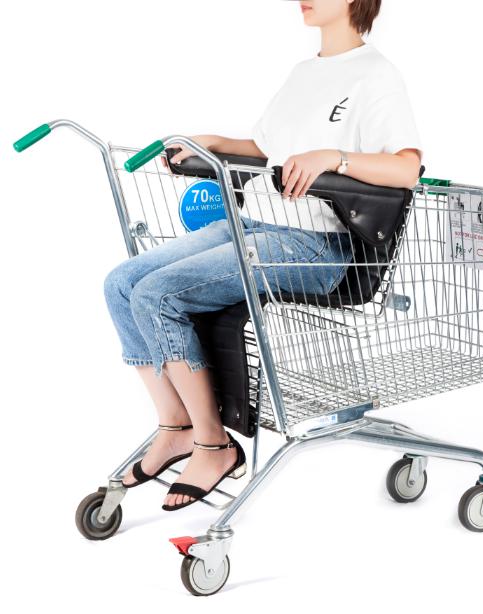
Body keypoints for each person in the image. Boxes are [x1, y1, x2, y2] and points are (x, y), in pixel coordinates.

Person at [103, 0, 423, 512]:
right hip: (255, 222)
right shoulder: (304, 73)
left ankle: (215, 446)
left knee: (157, 295)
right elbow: (266, 148)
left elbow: (406, 169)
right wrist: (211, 142)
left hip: (316, 244)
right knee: (122, 284)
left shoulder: (376, 75)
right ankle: (176, 427)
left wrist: (334, 158)